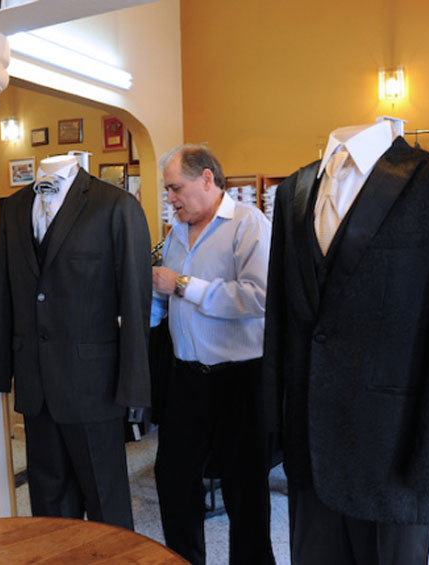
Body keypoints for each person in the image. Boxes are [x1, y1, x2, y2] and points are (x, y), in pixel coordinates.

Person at [263, 120, 429, 564]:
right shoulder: (293, 192)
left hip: (396, 453)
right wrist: (273, 427)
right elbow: (280, 319)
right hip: (310, 448)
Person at [0, 154, 152, 529]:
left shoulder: (115, 205)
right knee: (48, 509)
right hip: (35, 385)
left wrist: (135, 389)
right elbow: (4, 293)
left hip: (95, 388)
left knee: (106, 505)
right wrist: (0, 373)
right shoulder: (14, 208)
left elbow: (135, 300)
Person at [151, 144, 275, 565]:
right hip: (186, 377)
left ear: (207, 178)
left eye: (175, 188)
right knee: (173, 480)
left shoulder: (248, 223)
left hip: (239, 379)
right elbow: (164, 300)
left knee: (245, 490)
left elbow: (259, 296)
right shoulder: (175, 233)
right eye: (168, 190)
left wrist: (183, 284)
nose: (170, 198)